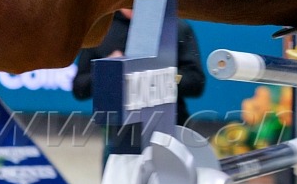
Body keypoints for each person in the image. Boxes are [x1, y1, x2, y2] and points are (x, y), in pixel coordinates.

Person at [71, 9, 206, 128]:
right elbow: (80, 88)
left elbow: (195, 82)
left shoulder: (174, 27)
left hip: (170, 126)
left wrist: (156, 77)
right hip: (118, 132)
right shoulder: (101, 29)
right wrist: (106, 70)